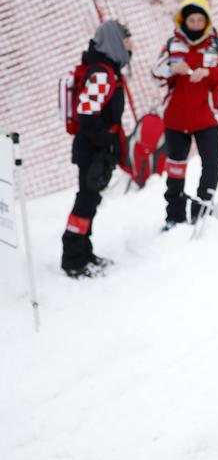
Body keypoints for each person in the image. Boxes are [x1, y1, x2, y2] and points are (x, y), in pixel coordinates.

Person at [152, 0, 218, 229]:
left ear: (207, 21)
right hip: (175, 120)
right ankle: (174, 215)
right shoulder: (172, 45)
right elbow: (155, 75)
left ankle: (202, 207)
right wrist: (171, 68)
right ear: (183, 21)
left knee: (213, 163)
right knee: (176, 168)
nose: (196, 25)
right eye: (192, 20)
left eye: (201, 20)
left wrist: (209, 73)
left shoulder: (217, 45)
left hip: (205, 118)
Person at [61, 20, 133, 279]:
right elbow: (86, 114)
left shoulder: (109, 70)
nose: (130, 44)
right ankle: (73, 259)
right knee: (86, 201)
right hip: (92, 149)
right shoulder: (102, 73)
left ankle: (84, 251)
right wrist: (107, 141)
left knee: (91, 200)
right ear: (115, 41)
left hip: (97, 147)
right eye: (126, 40)